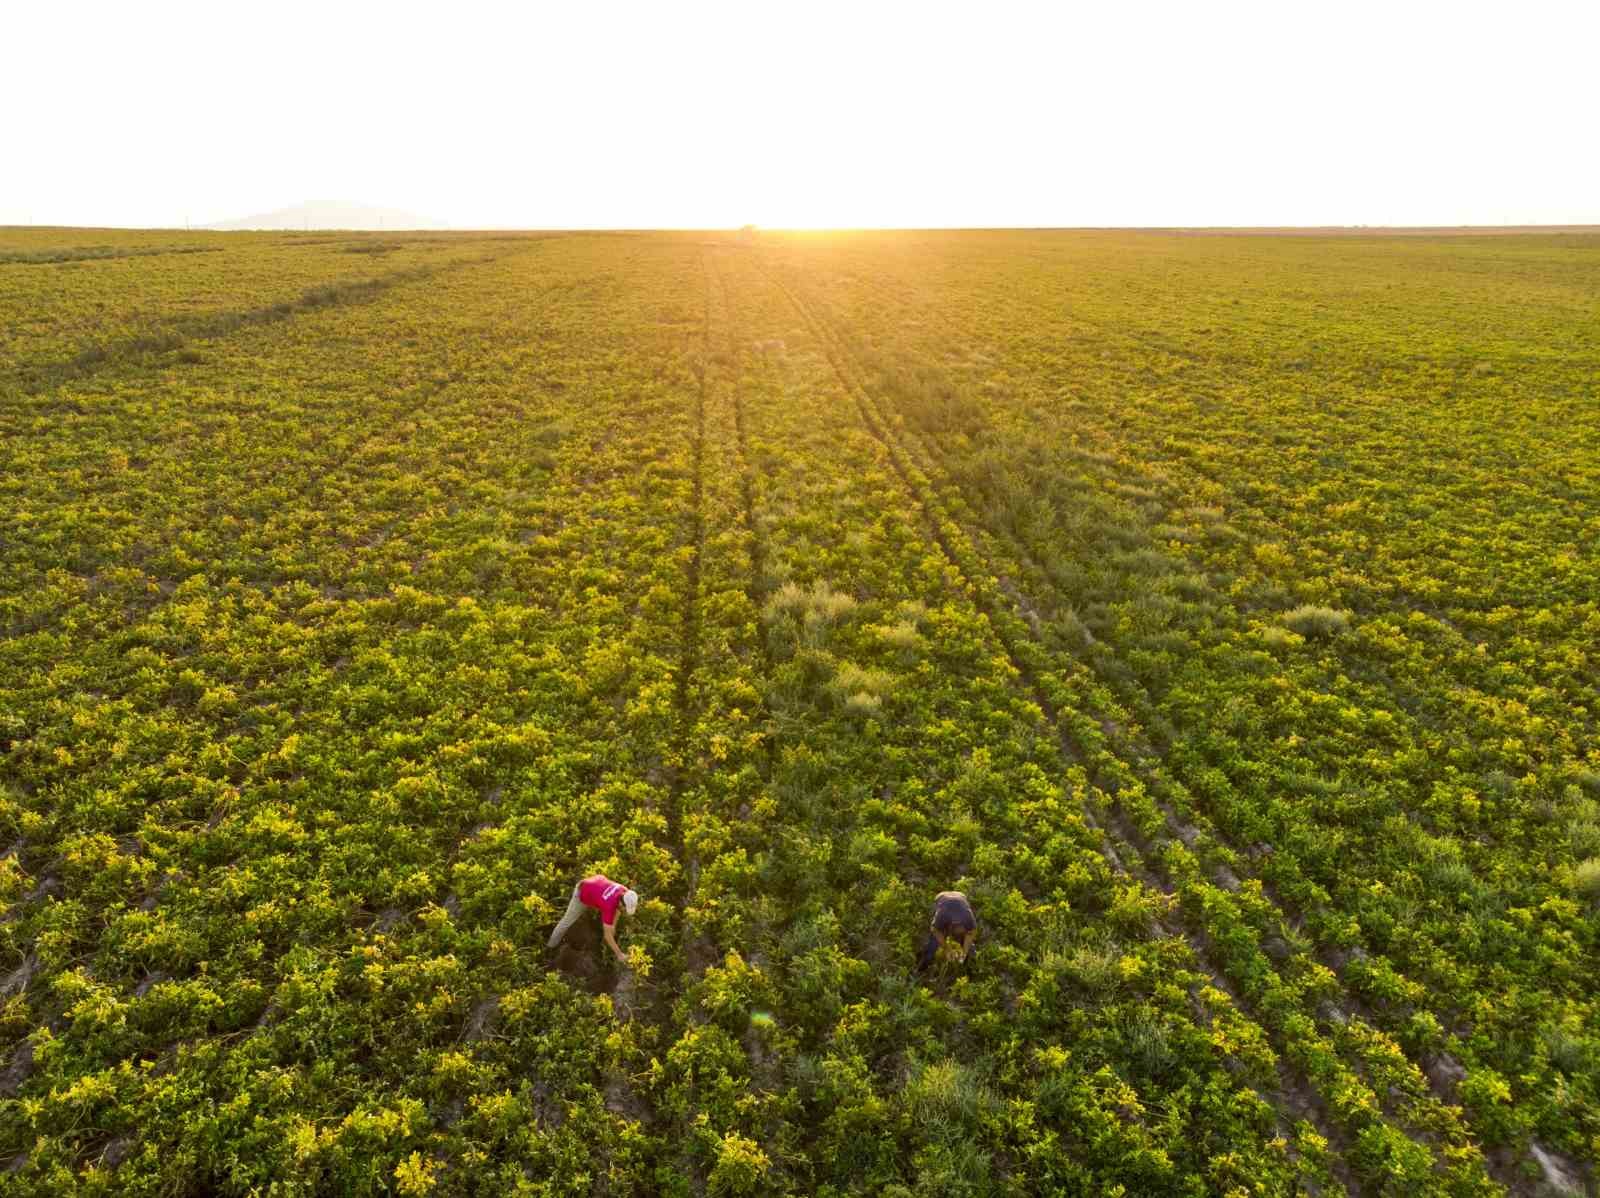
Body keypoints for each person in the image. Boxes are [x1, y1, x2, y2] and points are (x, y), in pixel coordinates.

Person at [549, 874, 639, 965]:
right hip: (581, 892)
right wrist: (619, 954)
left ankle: (592, 902)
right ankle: (550, 946)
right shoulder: (609, 906)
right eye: (625, 908)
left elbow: (618, 910)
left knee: (609, 925)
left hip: (596, 884)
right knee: (566, 922)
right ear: (621, 902)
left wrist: (613, 926)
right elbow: (607, 935)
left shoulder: (625, 891)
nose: (624, 910)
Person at [916, 890, 978, 972]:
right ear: (950, 928)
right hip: (941, 899)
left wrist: (964, 953)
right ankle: (920, 968)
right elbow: (935, 930)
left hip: (961, 897)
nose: (957, 938)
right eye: (957, 935)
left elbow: (971, 934)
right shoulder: (942, 916)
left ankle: (971, 973)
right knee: (932, 945)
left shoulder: (968, 918)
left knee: (970, 951)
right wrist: (946, 949)